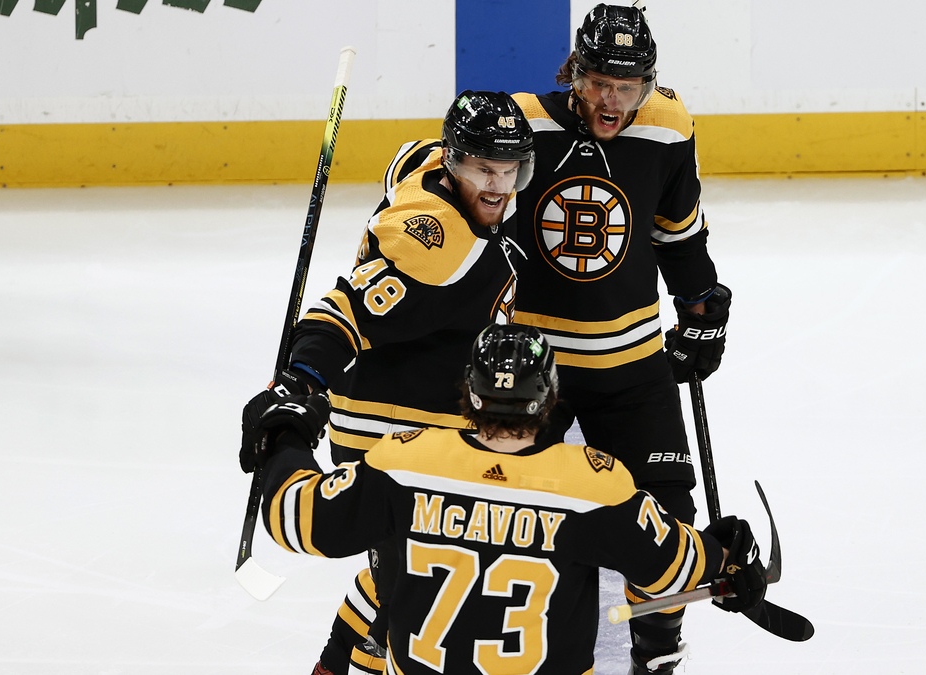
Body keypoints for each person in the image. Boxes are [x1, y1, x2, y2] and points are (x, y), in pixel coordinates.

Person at [241, 324, 767, 675]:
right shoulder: (593, 484)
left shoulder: (404, 461)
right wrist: (727, 557)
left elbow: (293, 516)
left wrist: (287, 435)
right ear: (550, 395)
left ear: (470, 390)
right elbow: (676, 570)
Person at [239, 91, 535, 674]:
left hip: (434, 402)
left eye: (510, 170)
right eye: (484, 169)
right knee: (423, 574)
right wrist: (301, 382)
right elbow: (345, 310)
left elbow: (404, 158)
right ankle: (363, 657)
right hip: (395, 420)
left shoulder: (426, 162)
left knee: (412, 569)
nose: (499, 186)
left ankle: (338, 659)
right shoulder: (439, 244)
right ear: (454, 162)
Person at [508, 5, 730, 672]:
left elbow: (677, 232)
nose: (611, 101)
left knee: (670, 519)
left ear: (648, 85)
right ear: (575, 73)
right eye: (599, 83)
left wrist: (702, 305)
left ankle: (656, 651)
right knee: (513, 514)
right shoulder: (525, 124)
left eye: (626, 88)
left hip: (632, 365)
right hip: (534, 368)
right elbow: (466, 209)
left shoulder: (668, 125)